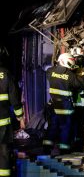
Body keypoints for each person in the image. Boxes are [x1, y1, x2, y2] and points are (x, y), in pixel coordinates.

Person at [42, 52, 84, 155]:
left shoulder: (50, 71)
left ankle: (46, 147)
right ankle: (64, 150)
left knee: (52, 127)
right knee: (66, 127)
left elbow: (52, 74)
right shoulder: (69, 75)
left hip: (53, 105)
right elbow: (79, 84)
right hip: (65, 106)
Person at [0, 46, 25, 176]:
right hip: (2, 123)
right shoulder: (6, 74)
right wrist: (20, 118)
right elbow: (15, 100)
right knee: (3, 152)